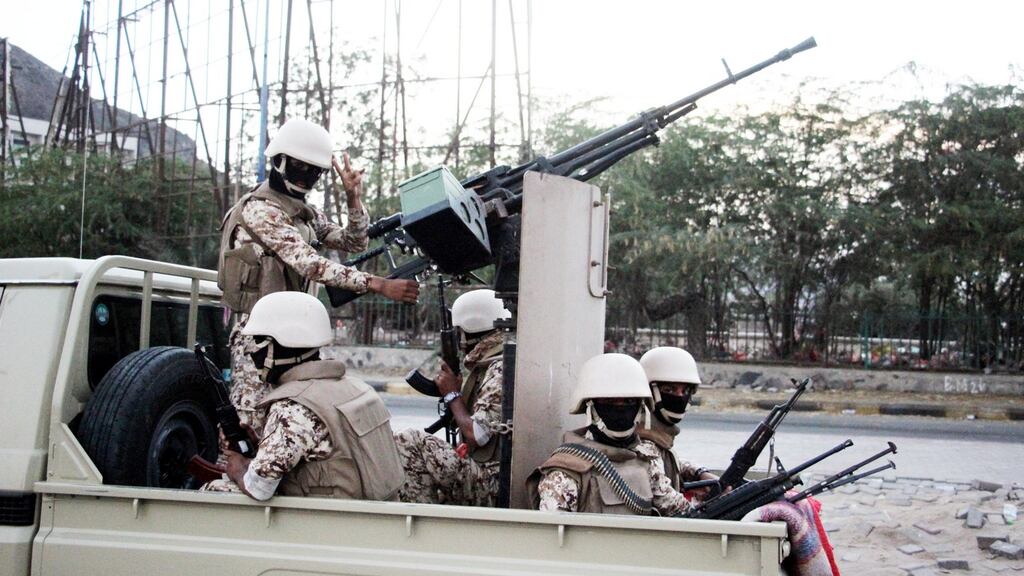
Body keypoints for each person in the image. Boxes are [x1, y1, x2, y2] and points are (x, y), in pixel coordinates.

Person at [217, 118, 419, 435]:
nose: (308, 176)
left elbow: (354, 241)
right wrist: (378, 284)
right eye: (301, 167)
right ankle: (232, 483)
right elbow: (310, 263)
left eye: (315, 171)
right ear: (280, 161)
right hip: (256, 336)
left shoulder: (302, 211)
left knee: (295, 420)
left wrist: (354, 198)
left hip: (292, 335)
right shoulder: (262, 210)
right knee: (250, 425)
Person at [202, 291, 404, 502]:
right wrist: (261, 443)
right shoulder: (356, 388)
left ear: (284, 343)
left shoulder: (293, 407)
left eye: (261, 342)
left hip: (332, 523)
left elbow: (259, 487)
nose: (254, 353)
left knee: (215, 489)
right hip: (375, 513)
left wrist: (238, 469)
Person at [526, 353, 699, 516]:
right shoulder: (565, 473)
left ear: (640, 407)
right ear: (591, 407)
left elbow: (676, 508)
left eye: (629, 402)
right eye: (609, 401)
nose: (621, 408)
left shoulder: (646, 458)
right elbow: (553, 538)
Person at [394, 289, 511, 507]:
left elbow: (478, 434)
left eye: (458, 332)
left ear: (469, 330)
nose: (458, 339)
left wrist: (451, 394)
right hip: (489, 472)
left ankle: (418, 521)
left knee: (408, 440)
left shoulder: (499, 367)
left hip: (492, 482)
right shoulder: (494, 362)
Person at [638, 346, 719, 492]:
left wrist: (698, 472)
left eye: (685, 391)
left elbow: (666, 462)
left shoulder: (658, 434)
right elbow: (663, 498)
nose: (679, 397)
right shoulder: (642, 440)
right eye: (669, 390)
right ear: (649, 391)